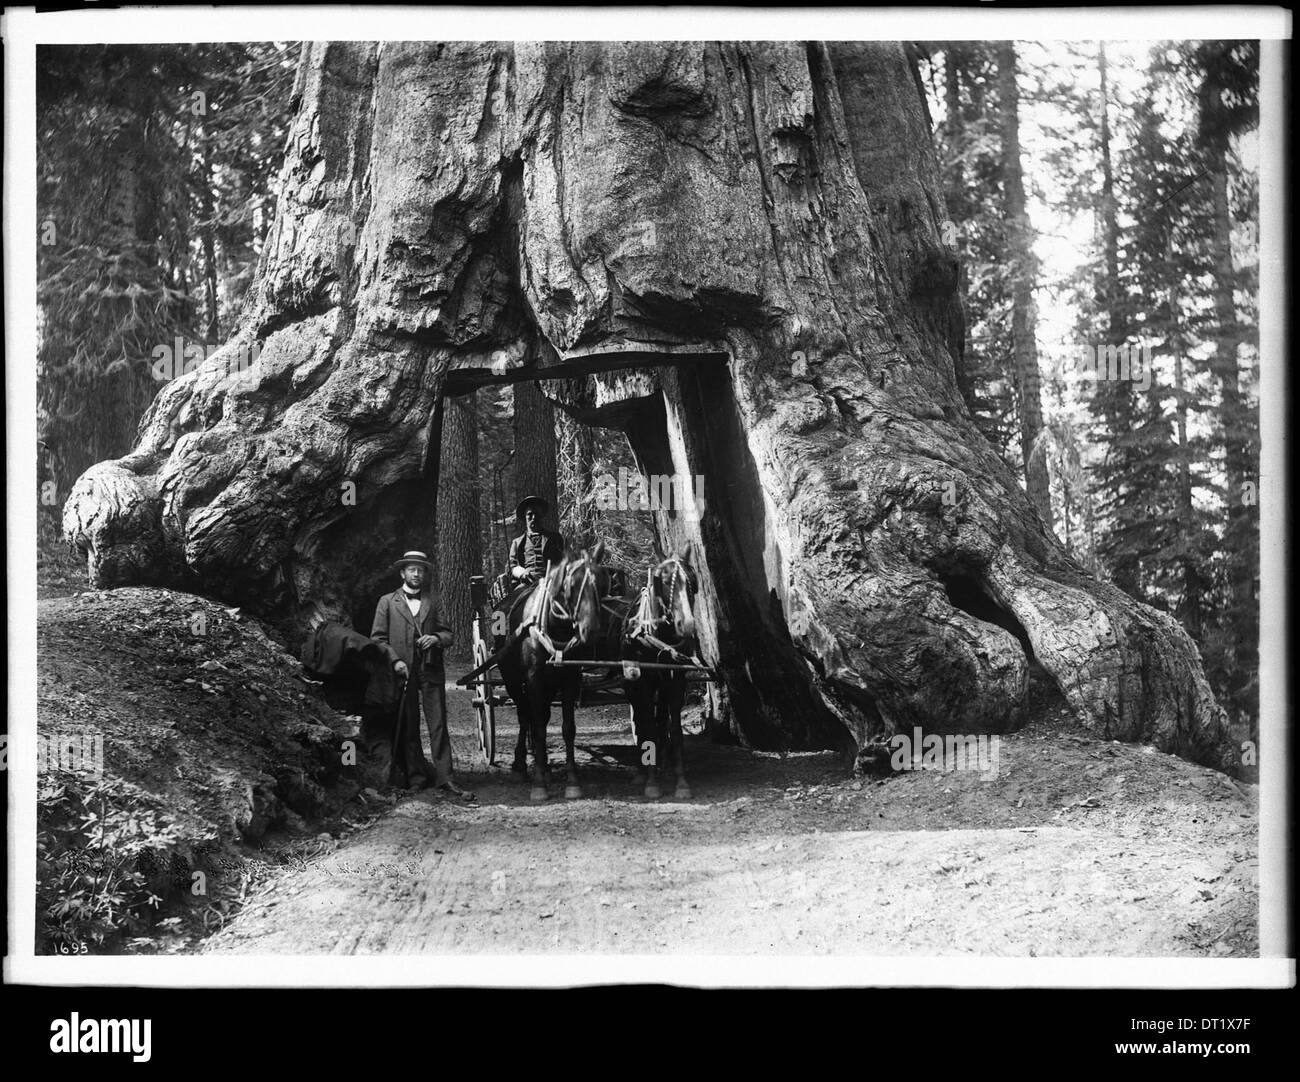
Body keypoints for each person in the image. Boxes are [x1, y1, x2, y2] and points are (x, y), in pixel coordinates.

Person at [371, 550, 475, 802]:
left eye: (420, 570)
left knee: (437, 724)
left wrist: (436, 638)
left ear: (425, 574)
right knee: (408, 725)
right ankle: (416, 777)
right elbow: (377, 639)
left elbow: (449, 634)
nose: (416, 574)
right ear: (402, 573)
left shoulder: (433, 602)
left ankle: (445, 777)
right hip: (402, 672)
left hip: (431, 670)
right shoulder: (387, 602)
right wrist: (395, 661)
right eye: (412, 569)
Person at [508, 496, 565, 587]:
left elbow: (563, 560)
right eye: (530, 514)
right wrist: (522, 573)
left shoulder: (555, 538)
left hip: (550, 582)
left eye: (537, 514)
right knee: (516, 599)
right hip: (526, 584)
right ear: (525, 517)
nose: (534, 517)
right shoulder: (517, 543)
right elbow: (513, 566)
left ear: (541, 516)